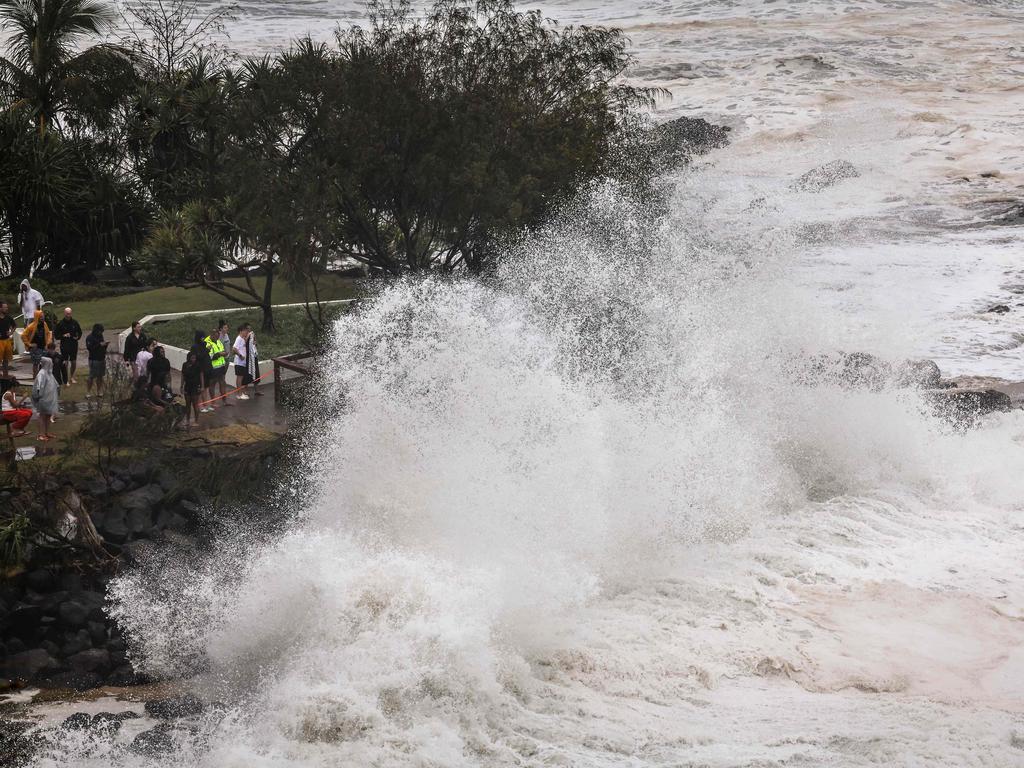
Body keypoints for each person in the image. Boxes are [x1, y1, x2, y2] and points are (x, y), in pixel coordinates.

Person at [204, 323, 231, 410]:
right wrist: (219, 354)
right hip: (213, 368)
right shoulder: (207, 343)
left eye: (217, 336)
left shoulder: (219, 342)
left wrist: (223, 353)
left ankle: (225, 401)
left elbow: (223, 351)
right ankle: (213, 402)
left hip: (221, 366)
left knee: (222, 383)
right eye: (214, 336)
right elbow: (210, 357)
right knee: (212, 384)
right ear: (211, 335)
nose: (216, 337)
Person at [31, 356, 59, 441]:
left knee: (48, 415)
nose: (52, 364)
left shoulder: (49, 373)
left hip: (49, 399)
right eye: (51, 363)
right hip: (43, 399)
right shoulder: (42, 373)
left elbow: (55, 384)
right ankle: (40, 434)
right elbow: (38, 387)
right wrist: (38, 396)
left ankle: (46, 432)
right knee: (42, 416)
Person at [54, 307, 82, 384]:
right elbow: (56, 335)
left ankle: (72, 377)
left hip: (73, 344)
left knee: (73, 362)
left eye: (69, 314)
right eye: (67, 314)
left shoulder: (75, 322)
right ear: (64, 313)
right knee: (65, 362)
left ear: (71, 313)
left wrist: (77, 337)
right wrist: (63, 335)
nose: (68, 315)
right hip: (64, 345)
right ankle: (65, 379)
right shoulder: (60, 324)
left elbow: (79, 332)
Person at [21, 309, 52, 376]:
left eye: (43, 316)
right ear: (37, 317)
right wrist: (29, 344)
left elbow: (48, 333)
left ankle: (42, 376)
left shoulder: (44, 324)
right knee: (36, 363)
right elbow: (23, 335)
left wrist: (48, 343)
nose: (43, 318)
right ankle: (35, 377)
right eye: (41, 317)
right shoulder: (31, 326)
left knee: (44, 362)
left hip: (43, 347)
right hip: (35, 348)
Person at [181, 350, 204, 428]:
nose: (193, 360)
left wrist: (202, 386)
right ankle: (187, 420)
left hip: (195, 386)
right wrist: (181, 386)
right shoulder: (185, 365)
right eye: (192, 358)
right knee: (188, 404)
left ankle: (196, 421)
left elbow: (201, 376)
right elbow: (183, 376)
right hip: (187, 386)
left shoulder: (198, 365)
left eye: (194, 358)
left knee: (195, 404)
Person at [86, 324, 109, 398]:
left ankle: (99, 391)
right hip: (93, 359)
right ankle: (88, 392)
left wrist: (105, 345)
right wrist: (99, 345)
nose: (101, 333)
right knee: (91, 376)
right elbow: (90, 348)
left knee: (100, 376)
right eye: (100, 331)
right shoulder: (89, 338)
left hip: (101, 358)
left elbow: (102, 346)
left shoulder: (100, 336)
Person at [232, 324, 253, 400]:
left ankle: (241, 393)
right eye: (245, 331)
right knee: (239, 378)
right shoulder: (239, 339)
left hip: (242, 363)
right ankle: (239, 394)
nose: (246, 332)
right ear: (241, 331)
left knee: (241, 377)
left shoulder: (242, 338)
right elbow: (234, 349)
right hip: (239, 362)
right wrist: (240, 355)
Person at [0, 302, 16, 379]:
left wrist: (10, 333)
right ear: (0, 308)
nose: (6, 308)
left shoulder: (8, 317)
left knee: (6, 359)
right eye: (5, 307)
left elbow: (14, 325)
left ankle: (5, 375)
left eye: (7, 307)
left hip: (6, 340)